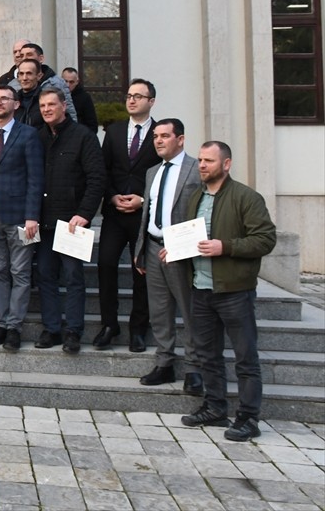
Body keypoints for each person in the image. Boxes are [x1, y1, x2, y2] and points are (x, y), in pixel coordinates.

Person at [179, 141, 276, 442]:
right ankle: (215, 407)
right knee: (208, 355)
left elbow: (265, 239)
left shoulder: (246, 197)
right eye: (200, 160)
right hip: (201, 288)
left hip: (234, 290)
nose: (203, 165)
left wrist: (226, 246)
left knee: (245, 357)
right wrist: (175, 250)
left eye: (209, 160)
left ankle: (248, 418)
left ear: (227, 164)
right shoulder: (196, 196)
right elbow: (191, 235)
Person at [135, 119, 204, 395]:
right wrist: (140, 250)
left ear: (181, 139)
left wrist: (180, 244)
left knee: (189, 311)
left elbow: (203, 212)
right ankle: (164, 363)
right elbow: (148, 214)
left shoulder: (195, 170)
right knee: (159, 311)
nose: (159, 141)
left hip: (182, 251)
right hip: (153, 248)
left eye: (165, 136)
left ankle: (194, 368)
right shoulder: (152, 172)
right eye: (155, 136)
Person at [35, 87, 106, 354]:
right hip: (43, 221)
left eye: (51, 105)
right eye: (43, 106)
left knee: (73, 277)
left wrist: (85, 213)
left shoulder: (83, 137)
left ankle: (73, 331)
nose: (46, 110)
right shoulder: (38, 137)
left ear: (64, 106)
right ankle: (52, 328)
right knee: (44, 275)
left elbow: (97, 179)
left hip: (72, 223)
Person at [95, 79, 160, 352]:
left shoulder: (161, 132)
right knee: (106, 264)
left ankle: (138, 329)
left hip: (144, 215)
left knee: (141, 271)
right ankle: (109, 324)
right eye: (129, 95)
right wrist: (111, 196)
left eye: (138, 96)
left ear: (151, 101)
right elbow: (103, 170)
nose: (132, 100)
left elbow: (164, 173)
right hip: (115, 212)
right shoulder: (115, 131)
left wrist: (142, 199)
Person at [0, 87, 43, 351]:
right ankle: (2, 323)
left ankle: (14, 327)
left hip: (20, 217)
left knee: (19, 271)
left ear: (16, 104)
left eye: (4, 98)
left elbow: (35, 178)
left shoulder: (28, 134)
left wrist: (32, 216)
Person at [62, 67, 99, 134]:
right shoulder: (56, 96)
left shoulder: (84, 98)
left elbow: (92, 124)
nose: (67, 85)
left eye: (71, 82)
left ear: (77, 82)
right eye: (65, 81)